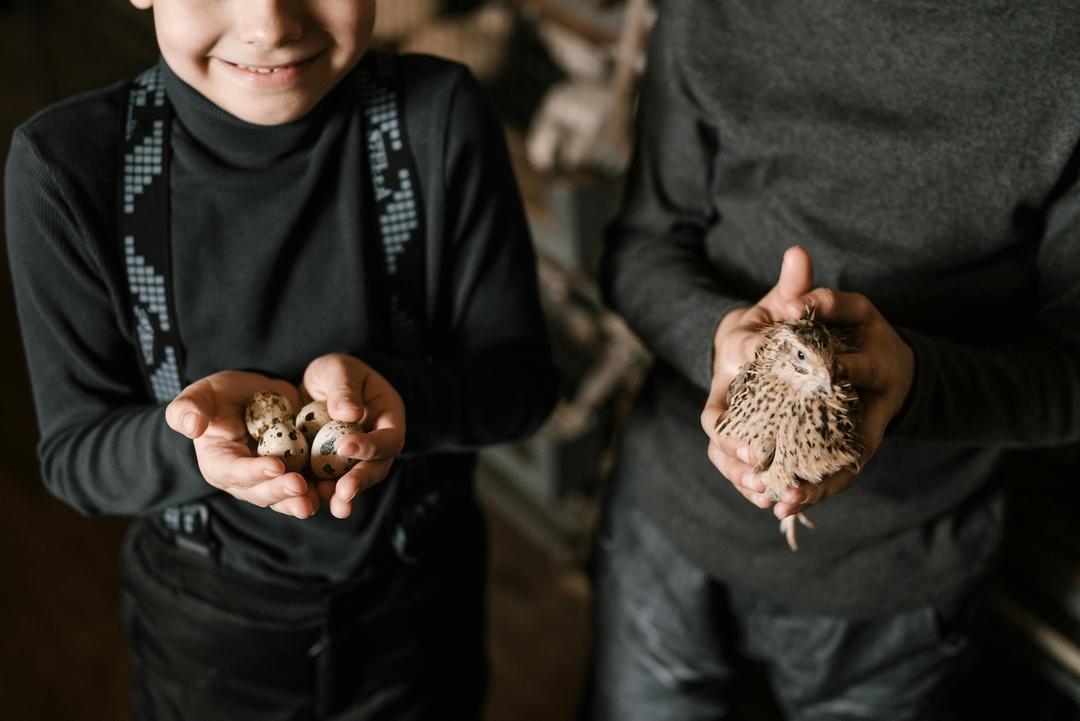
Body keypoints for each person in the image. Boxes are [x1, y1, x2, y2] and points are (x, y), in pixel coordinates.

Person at [5, 1, 558, 718]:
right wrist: (192, 446)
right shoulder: (66, 167)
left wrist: (403, 399)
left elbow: (523, 387)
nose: (268, 25)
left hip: (421, 597)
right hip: (210, 629)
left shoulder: (440, 117)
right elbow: (76, 456)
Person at [589, 2, 1080, 720]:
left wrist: (913, 381)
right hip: (671, 523)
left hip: (899, 580)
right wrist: (723, 341)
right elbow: (640, 247)